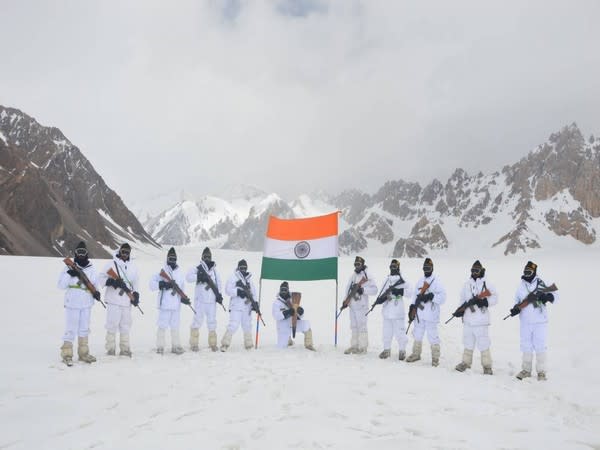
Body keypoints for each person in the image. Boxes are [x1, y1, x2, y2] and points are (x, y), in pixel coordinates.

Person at [509, 261, 559, 381]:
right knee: (526, 346)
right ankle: (526, 370)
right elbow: (518, 301)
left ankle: (541, 372)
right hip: (525, 322)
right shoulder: (521, 286)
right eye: (525, 271)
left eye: (529, 272)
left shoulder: (542, 283)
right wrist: (516, 309)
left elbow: (556, 296)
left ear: (534, 272)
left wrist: (548, 297)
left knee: (540, 346)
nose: (527, 274)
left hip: (539, 322)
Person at [57, 241, 102, 365]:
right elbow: (61, 285)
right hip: (72, 302)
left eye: (83, 252)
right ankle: (67, 354)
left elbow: (95, 285)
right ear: (75, 253)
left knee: (84, 329)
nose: (81, 255)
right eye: (79, 252)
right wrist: (69, 275)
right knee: (70, 329)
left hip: (87, 303)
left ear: (87, 253)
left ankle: (83, 353)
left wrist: (97, 293)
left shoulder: (91, 268)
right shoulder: (68, 267)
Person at [453, 260, 498, 375]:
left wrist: (485, 302)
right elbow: (462, 300)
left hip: (481, 320)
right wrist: (460, 311)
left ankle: (487, 366)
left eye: (476, 270)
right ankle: (465, 363)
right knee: (467, 342)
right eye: (472, 270)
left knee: (483, 343)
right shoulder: (466, 284)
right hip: (468, 320)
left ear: (481, 271)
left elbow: (495, 297)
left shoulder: (486, 283)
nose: (474, 273)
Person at [100, 243, 140, 357]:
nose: (125, 254)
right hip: (113, 300)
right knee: (112, 324)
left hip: (126, 301)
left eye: (127, 252)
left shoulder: (133, 266)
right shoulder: (111, 264)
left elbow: (136, 282)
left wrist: (136, 295)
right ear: (119, 251)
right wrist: (112, 282)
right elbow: (101, 278)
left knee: (126, 325)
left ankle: (125, 349)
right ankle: (111, 349)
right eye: (123, 252)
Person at [406, 257, 446, 366]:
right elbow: (415, 296)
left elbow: (443, 297)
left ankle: (435, 358)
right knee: (417, 334)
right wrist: (412, 307)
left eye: (428, 267)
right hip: (419, 313)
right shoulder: (420, 281)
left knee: (433, 336)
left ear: (432, 268)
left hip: (431, 314)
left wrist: (431, 296)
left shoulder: (437, 282)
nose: (426, 269)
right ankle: (416, 354)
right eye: (425, 267)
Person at [149, 247, 189, 355]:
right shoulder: (162, 272)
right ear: (167, 259)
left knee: (175, 326)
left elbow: (181, 289)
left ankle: (176, 346)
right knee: (162, 325)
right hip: (165, 305)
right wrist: (163, 284)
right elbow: (151, 285)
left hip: (176, 306)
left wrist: (184, 299)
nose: (172, 261)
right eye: (170, 258)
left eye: (174, 258)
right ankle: (160, 347)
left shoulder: (180, 273)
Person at [373, 259, 412, 360]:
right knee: (386, 332)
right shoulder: (387, 280)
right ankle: (386, 350)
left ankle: (402, 350)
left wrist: (400, 291)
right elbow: (382, 293)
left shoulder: (402, 280)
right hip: (387, 310)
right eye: (391, 267)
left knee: (400, 332)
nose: (392, 269)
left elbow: (410, 292)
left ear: (398, 268)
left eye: (394, 267)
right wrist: (380, 300)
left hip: (397, 309)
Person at [186, 247, 223, 352]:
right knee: (197, 321)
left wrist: (219, 296)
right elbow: (188, 277)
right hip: (200, 301)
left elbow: (218, 283)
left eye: (208, 256)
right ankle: (194, 344)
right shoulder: (198, 268)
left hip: (211, 302)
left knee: (212, 322)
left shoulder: (214, 271)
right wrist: (199, 276)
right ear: (202, 257)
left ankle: (213, 344)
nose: (207, 258)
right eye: (205, 256)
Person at [221, 259, 259, 351]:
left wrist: (255, 303)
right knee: (233, 325)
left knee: (247, 325)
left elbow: (253, 292)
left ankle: (249, 344)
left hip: (247, 307)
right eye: (241, 267)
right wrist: (238, 292)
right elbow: (227, 290)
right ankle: (225, 344)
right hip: (236, 306)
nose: (243, 269)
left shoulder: (249, 279)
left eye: (245, 267)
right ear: (238, 267)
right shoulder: (233, 277)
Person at [342, 256, 377, 354]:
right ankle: (354, 346)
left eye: (358, 264)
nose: (356, 266)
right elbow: (348, 289)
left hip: (361, 306)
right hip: (352, 306)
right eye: (355, 264)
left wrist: (363, 290)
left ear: (362, 265)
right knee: (353, 326)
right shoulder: (353, 276)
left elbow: (375, 290)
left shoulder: (367, 275)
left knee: (362, 326)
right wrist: (345, 301)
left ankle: (363, 347)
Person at [271, 282, 315, 351]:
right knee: (281, 349)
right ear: (279, 290)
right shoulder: (277, 303)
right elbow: (276, 316)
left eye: (285, 290)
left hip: (294, 323)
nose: (283, 291)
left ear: (288, 290)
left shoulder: (293, 298)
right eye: (282, 290)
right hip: (283, 327)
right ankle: (288, 340)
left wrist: (301, 312)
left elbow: (299, 315)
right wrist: (288, 312)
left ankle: (309, 345)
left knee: (306, 324)